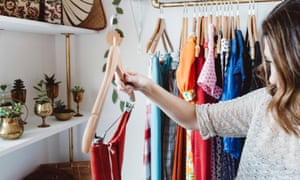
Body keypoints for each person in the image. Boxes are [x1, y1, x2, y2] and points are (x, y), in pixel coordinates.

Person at [117, 0, 300, 179]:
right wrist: (145, 85)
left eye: (277, 64)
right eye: (269, 62)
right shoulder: (266, 102)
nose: (271, 78)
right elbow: (196, 117)